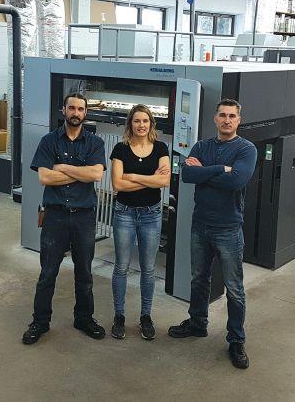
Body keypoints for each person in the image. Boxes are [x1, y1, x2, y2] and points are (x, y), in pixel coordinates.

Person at [167, 98, 257, 369]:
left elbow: (237, 180)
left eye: (232, 116)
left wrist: (203, 172)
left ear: (238, 120)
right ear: (215, 118)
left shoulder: (246, 149)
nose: (227, 120)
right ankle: (197, 323)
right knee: (199, 279)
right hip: (201, 225)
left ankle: (236, 340)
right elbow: (187, 176)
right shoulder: (202, 146)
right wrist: (220, 169)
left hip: (228, 228)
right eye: (222, 115)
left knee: (234, 288)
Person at [22, 93, 106, 345]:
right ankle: (40, 322)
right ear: (64, 110)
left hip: (84, 217)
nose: (75, 113)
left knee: (85, 273)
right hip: (55, 216)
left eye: (80, 109)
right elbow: (45, 177)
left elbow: (96, 175)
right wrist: (81, 173)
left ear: (85, 113)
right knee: (48, 273)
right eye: (72, 108)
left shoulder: (95, 143)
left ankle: (84, 318)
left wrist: (63, 168)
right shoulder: (49, 141)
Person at [109, 105, 170, 340]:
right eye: (137, 121)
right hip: (124, 213)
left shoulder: (161, 148)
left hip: (151, 214)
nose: (141, 125)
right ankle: (119, 316)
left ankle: (146, 316)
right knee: (121, 267)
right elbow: (117, 185)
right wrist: (151, 179)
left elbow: (164, 182)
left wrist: (133, 176)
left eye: (145, 121)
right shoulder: (120, 149)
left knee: (148, 268)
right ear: (130, 124)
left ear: (151, 124)